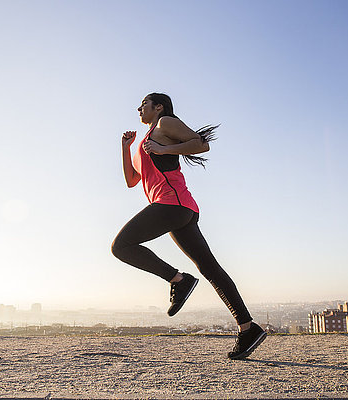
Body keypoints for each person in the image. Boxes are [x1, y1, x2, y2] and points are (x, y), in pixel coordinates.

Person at [111, 93, 266, 360]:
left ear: (158, 107)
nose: (139, 108)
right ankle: (248, 327)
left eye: (144, 104)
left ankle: (179, 280)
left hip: (172, 204)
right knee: (209, 267)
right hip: (180, 209)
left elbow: (201, 145)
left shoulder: (165, 123)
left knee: (121, 246)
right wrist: (125, 148)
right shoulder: (147, 138)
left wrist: (164, 150)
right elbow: (131, 180)